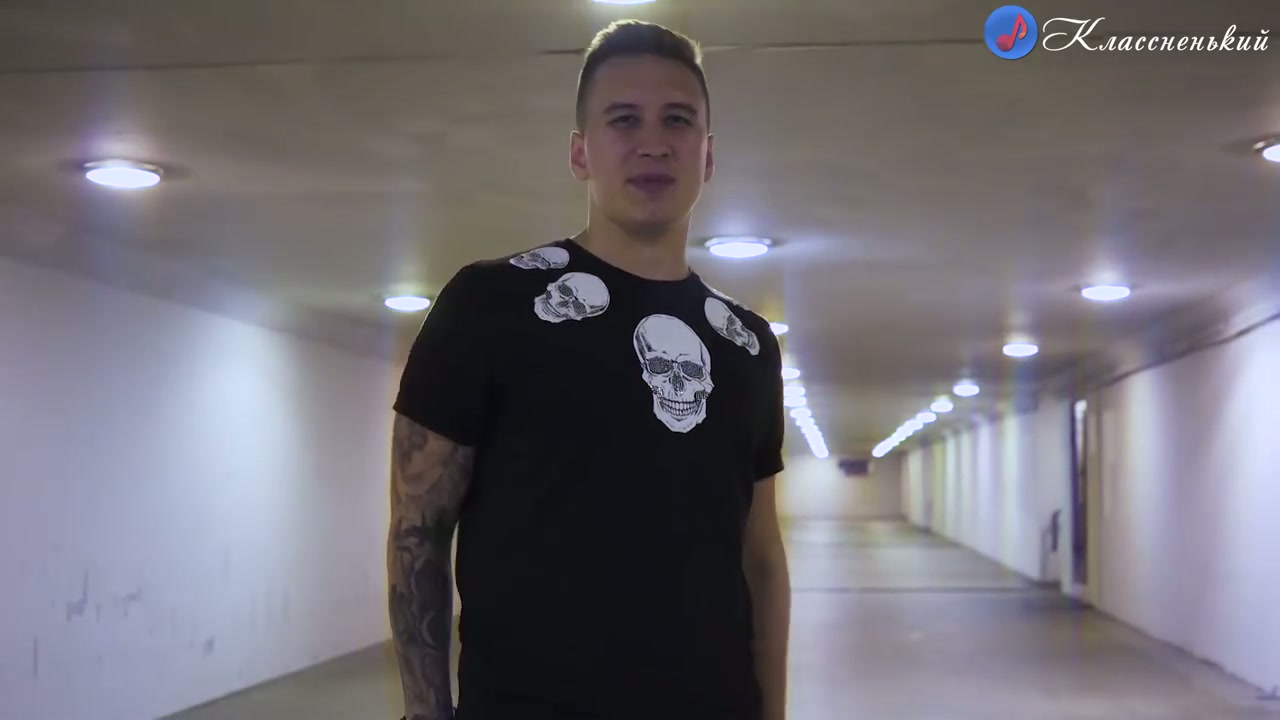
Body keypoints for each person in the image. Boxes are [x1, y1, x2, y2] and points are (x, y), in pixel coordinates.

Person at [387, 18, 790, 720]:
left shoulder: (747, 345)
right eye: (623, 119)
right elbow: (417, 532)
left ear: (707, 155)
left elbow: (760, 558)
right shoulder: (490, 305)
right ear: (581, 153)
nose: (653, 142)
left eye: (678, 120)